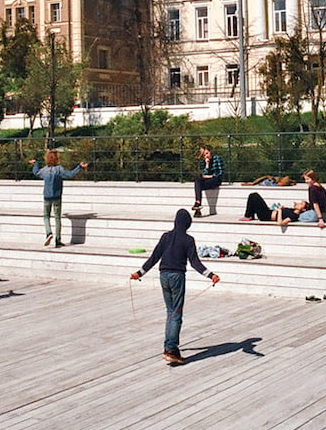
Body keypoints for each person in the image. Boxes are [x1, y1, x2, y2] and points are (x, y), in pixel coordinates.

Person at [130, 208, 220, 365]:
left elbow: (154, 257)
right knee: (176, 313)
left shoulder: (166, 236)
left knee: (170, 311)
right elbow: (195, 263)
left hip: (163, 276)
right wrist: (210, 275)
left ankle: (168, 347)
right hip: (177, 277)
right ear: (187, 224)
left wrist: (139, 273)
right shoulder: (188, 240)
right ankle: (171, 349)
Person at [30, 150, 88, 247]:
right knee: (57, 218)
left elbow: (36, 172)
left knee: (46, 216)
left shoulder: (44, 170)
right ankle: (57, 240)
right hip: (57, 196)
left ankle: (49, 233)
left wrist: (35, 163)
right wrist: (79, 167)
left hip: (47, 196)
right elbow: (69, 174)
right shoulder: (59, 169)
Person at [239, 192, 305, 227]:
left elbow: (280, 223)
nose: (299, 203)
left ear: (303, 209)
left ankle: (248, 215)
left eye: (301, 204)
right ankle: (250, 215)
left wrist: (279, 211)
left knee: (254, 196)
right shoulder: (292, 210)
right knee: (253, 196)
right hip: (268, 212)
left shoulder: (294, 215)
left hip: (265, 216)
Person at [192, 145, 223, 217]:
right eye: (204, 154)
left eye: (207, 153)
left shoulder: (217, 159)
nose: (206, 156)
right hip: (208, 180)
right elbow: (204, 174)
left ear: (210, 152)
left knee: (199, 185)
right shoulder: (204, 162)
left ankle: (198, 208)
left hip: (216, 180)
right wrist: (207, 164)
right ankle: (198, 203)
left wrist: (211, 176)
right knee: (198, 181)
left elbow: (220, 172)